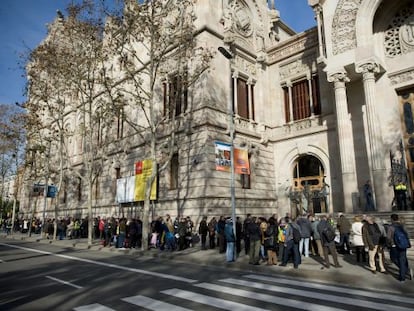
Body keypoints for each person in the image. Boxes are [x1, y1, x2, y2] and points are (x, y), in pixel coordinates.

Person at [387, 214, 412, 282]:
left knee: (393, 258)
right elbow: (407, 235)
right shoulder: (402, 226)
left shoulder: (391, 227)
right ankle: (403, 276)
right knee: (402, 260)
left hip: (394, 246)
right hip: (403, 245)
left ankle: (405, 270)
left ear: (392, 219)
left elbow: (388, 237)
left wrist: (389, 244)